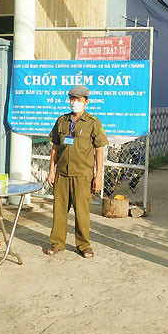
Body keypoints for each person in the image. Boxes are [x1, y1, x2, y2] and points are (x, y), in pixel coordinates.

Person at [46, 85, 108, 258]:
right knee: (59, 210)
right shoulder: (62, 121)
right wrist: (52, 171)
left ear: (86, 102)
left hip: (83, 174)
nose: (75, 102)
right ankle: (57, 242)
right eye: (72, 99)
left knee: (81, 211)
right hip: (62, 174)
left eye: (78, 99)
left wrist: (98, 176)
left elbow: (99, 149)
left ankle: (83, 244)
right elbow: (55, 147)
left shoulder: (93, 123)